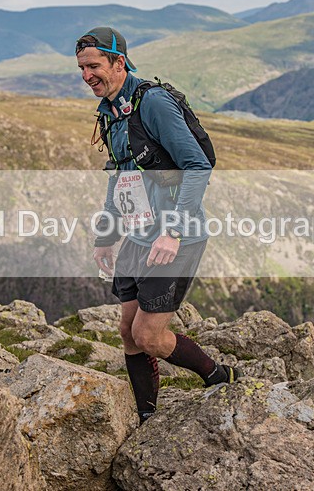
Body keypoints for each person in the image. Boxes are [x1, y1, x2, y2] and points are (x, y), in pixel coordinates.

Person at [76, 27, 241, 424]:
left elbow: (197, 166)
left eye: (94, 66)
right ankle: (147, 415)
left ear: (119, 62)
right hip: (138, 234)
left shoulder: (153, 103)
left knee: (148, 336)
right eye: (81, 68)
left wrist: (173, 232)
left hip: (175, 237)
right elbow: (121, 178)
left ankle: (219, 376)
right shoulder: (111, 111)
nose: (86, 76)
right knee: (127, 330)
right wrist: (106, 237)